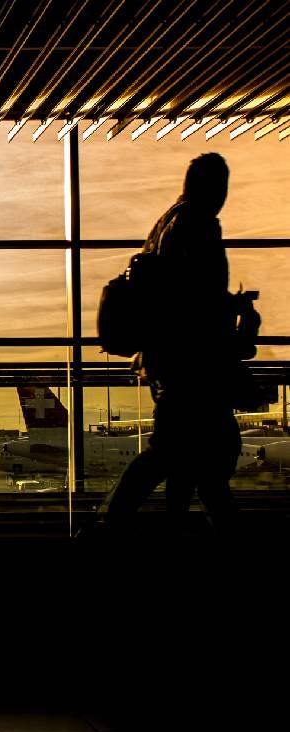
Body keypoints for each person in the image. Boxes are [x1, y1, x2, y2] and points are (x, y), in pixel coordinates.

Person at [96, 153, 251, 537]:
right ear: (214, 186)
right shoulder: (198, 223)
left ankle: (136, 523)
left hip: (166, 358)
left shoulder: (166, 224)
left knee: (184, 455)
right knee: (191, 455)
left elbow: (174, 295)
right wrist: (231, 310)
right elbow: (195, 298)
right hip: (192, 361)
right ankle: (115, 522)